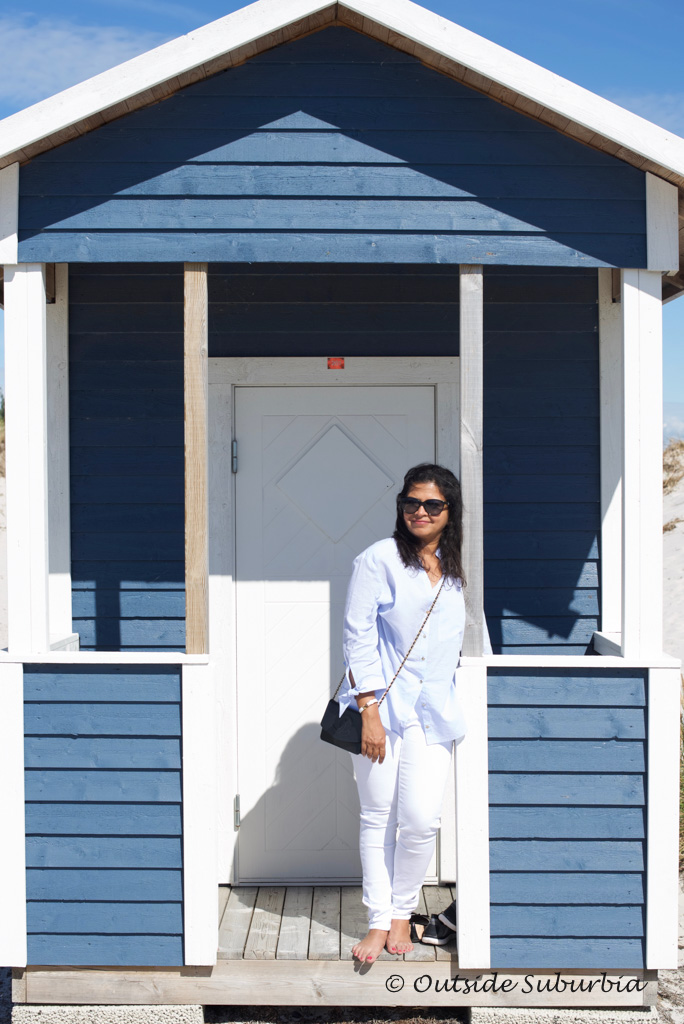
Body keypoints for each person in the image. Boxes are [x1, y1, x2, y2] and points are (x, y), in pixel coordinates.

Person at [338, 463, 468, 962]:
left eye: (432, 504)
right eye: (412, 502)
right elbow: (357, 635)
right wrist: (368, 708)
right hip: (383, 711)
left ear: (449, 512)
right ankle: (380, 920)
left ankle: (402, 909)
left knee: (420, 820)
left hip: (434, 712)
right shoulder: (379, 559)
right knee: (377, 816)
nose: (420, 511)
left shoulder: (456, 567)